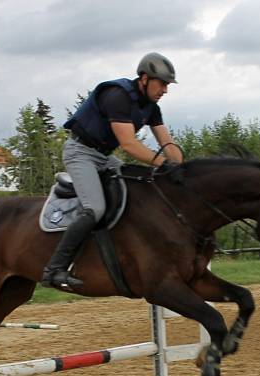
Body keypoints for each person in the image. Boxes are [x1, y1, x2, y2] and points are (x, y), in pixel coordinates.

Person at [41, 51, 184, 291]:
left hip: (105, 157)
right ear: (145, 78)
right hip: (80, 153)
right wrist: (163, 164)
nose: (165, 90)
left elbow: (167, 144)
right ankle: (55, 269)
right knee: (94, 209)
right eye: (163, 84)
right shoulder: (117, 96)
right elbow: (129, 145)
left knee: (141, 188)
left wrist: (181, 168)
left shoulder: (151, 107)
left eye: (168, 85)